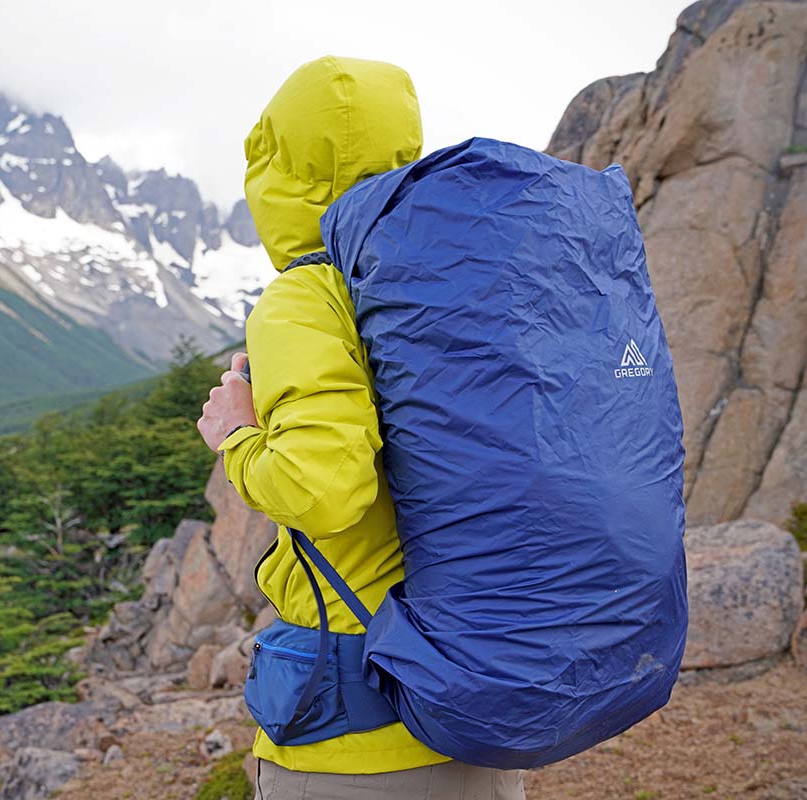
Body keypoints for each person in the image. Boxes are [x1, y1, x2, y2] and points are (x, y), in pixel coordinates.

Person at [196, 56, 526, 800]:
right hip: (478, 705)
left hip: (357, 737)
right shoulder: (461, 285)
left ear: (275, 165)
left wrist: (236, 437)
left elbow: (324, 489)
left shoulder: (307, 298)